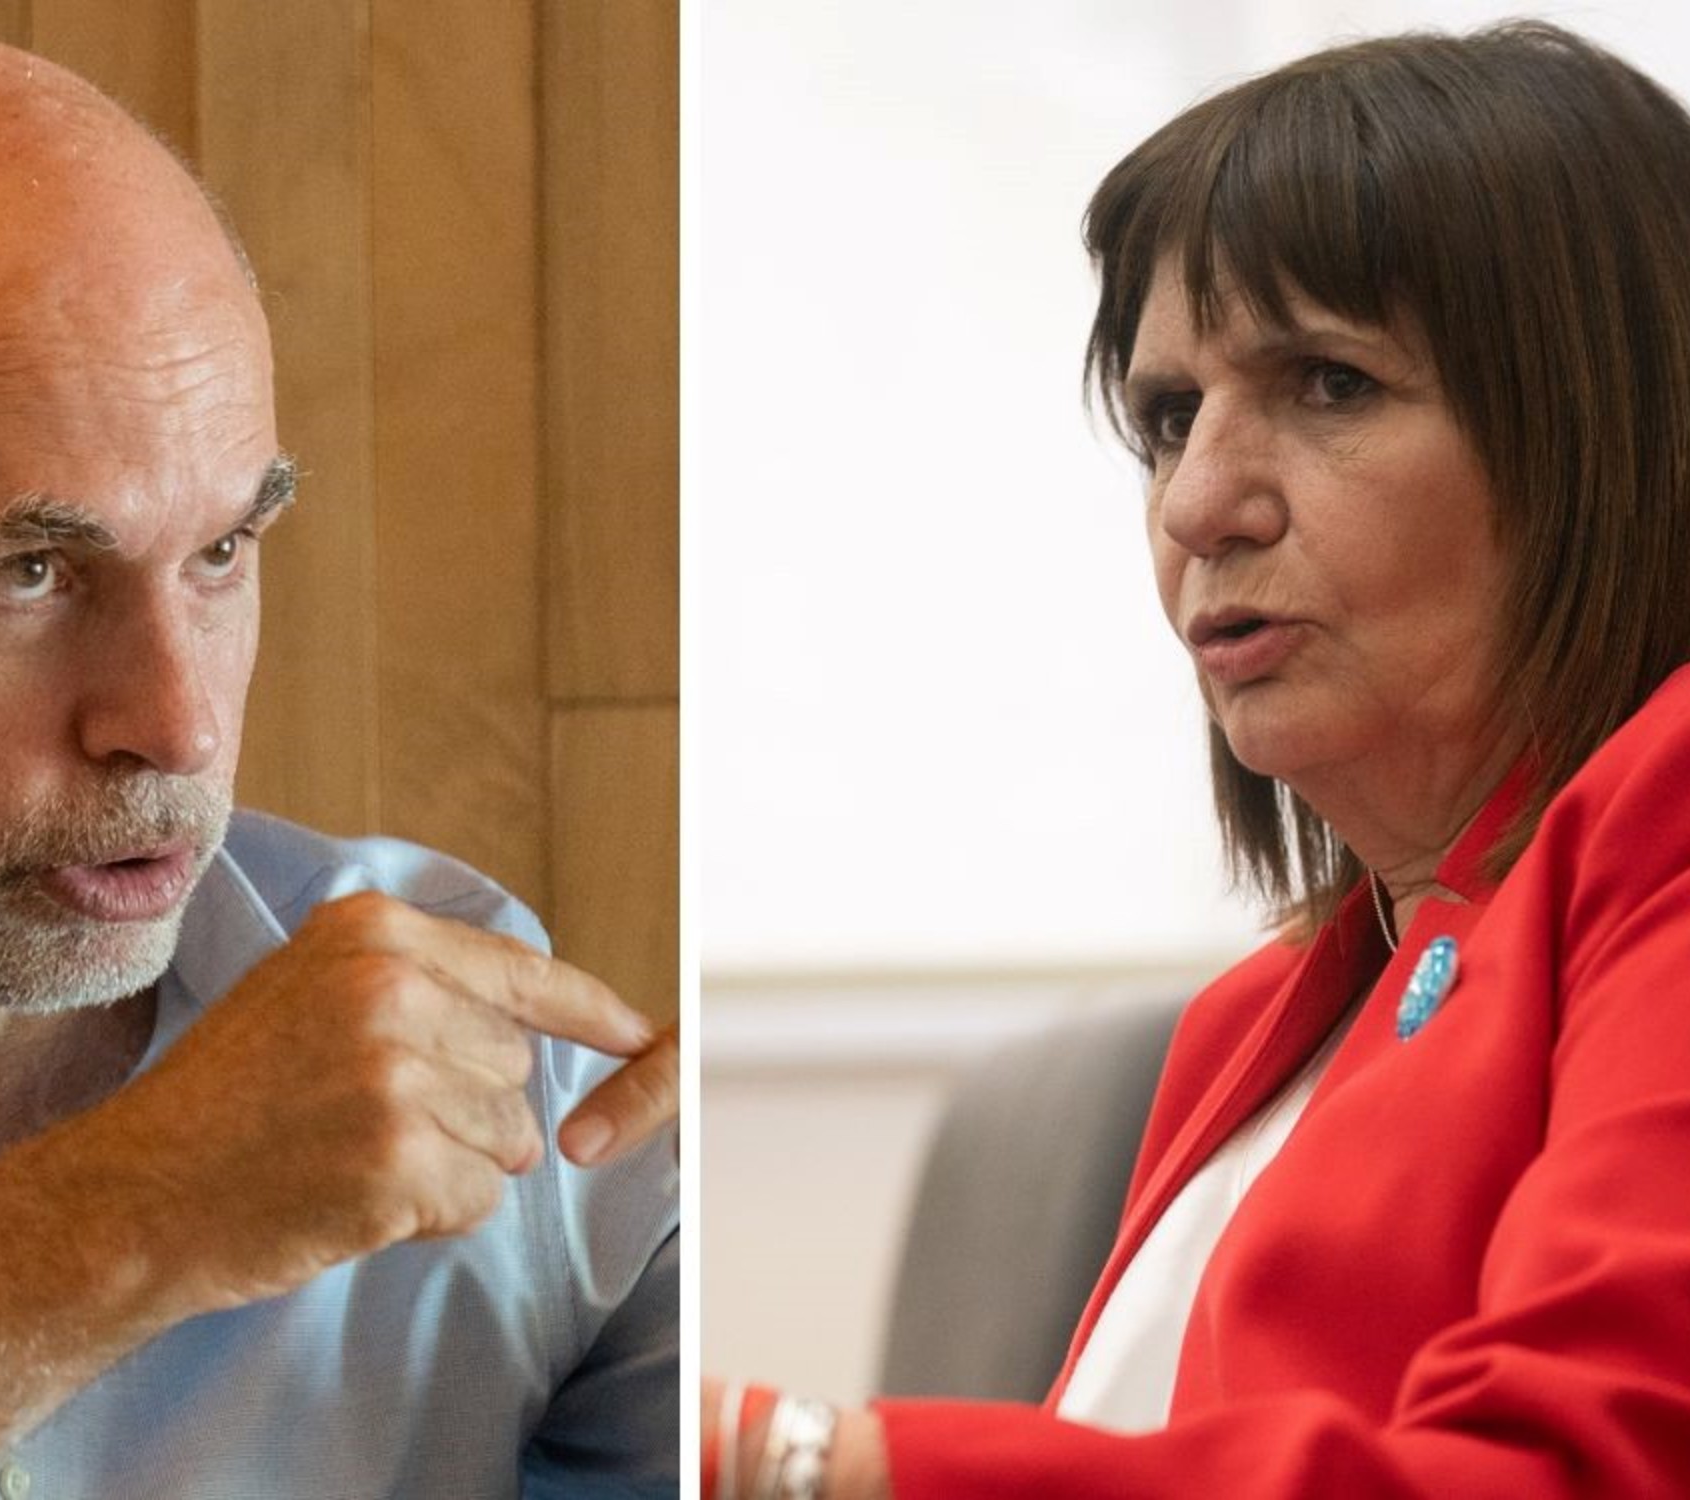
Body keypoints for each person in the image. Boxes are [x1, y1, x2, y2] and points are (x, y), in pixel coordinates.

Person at [0, 25, 678, 1500]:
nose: (182, 724)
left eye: (222, 551)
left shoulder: (490, 1046)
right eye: (32, 571)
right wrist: (132, 1214)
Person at [705, 20, 1690, 1498]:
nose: (1197, 503)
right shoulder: (1259, 1019)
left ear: (1602, 430)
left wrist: (793, 1464)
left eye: (1330, 384)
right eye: (1170, 419)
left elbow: (1585, 1470)